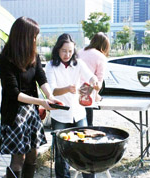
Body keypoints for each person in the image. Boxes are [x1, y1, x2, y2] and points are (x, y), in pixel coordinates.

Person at [0, 16, 61, 178]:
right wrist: (41, 102)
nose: (35, 40)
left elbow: (41, 78)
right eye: (33, 36)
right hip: (15, 113)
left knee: (33, 154)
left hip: (31, 112)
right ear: (23, 37)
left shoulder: (33, 55)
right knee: (18, 158)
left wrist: (50, 96)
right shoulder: (6, 59)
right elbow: (14, 93)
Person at [45, 33, 99, 178]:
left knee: (85, 148)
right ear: (57, 50)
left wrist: (95, 82)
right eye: (64, 51)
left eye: (70, 51)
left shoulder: (78, 63)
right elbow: (52, 91)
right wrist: (68, 88)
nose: (67, 54)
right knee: (61, 154)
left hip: (79, 112)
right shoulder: (50, 66)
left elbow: (90, 76)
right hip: (60, 114)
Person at [78, 32, 110, 126]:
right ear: (104, 46)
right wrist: (97, 97)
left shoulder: (80, 51)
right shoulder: (101, 57)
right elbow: (98, 82)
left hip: (73, 90)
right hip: (87, 93)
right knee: (88, 126)